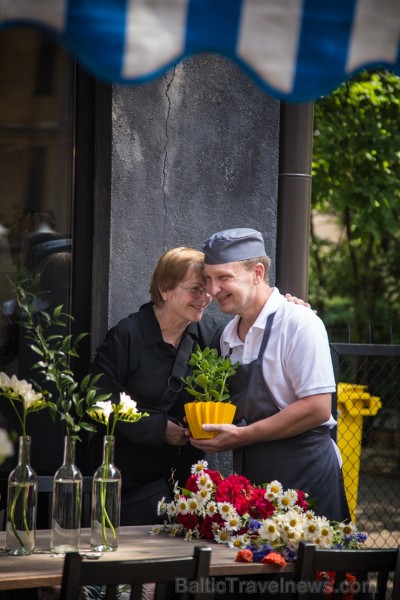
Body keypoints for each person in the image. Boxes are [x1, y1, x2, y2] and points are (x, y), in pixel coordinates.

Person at [189, 227, 350, 522]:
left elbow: (317, 408)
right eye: (208, 279)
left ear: (257, 272)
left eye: (224, 277)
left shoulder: (299, 323)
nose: (213, 290)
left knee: (311, 569)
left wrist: (241, 436)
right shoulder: (227, 337)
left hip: (308, 478)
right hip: (255, 485)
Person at [89, 247, 223, 525]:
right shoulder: (127, 335)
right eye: (196, 289)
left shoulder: (210, 335)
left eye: (208, 289)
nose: (205, 298)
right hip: (127, 488)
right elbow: (96, 398)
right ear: (165, 289)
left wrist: (288, 311)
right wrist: (159, 428)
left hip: (185, 484)